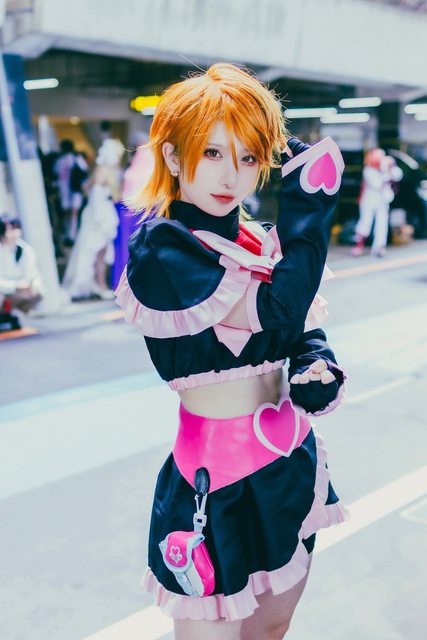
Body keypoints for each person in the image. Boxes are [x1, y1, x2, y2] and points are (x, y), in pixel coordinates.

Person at [115, 63, 347, 640]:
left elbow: (295, 329)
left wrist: (314, 362)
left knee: (272, 629)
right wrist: (311, 210)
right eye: (213, 153)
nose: (231, 175)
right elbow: (276, 309)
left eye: (248, 157)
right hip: (213, 483)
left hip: (289, 460)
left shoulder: (257, 240)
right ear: (173, 158)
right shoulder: (162, 250)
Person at [63, 138, 124, 300]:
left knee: (101, 253)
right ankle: (95, 285)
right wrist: (100, 219)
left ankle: (99, 284)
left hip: (104, 213)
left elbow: (88, 187)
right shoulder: (102, 171)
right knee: (94, 251)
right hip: (99, 216)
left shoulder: (107, 171)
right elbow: (96, 195)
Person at [352, 148, 403, 257]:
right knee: (365, 223)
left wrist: (391, 166)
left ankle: (379, 248)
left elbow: (398, 175)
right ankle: (358, 245)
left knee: (382, 224)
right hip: (368, 201)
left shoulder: (386, 167)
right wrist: (386, 172)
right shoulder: (368, 170)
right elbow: (377, 184)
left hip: (383, 201)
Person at [0, 217, 43, 325]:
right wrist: (15, 285)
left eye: (17, 228)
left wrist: (34, 284)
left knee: (38, 292)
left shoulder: (24, 250)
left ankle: (12, 314)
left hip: (17, 291)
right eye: (11, 229)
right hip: (5, 289)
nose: (15, 232)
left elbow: (32, 274)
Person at [54, 139, 89, 245]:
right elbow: (85, 172)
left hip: (64, 191)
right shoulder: (77, 158)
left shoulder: (60, 160)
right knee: (74, 214)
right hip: (75, 191)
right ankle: (72, 235)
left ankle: (68, 235)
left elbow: (56, 174)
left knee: (66, 214)